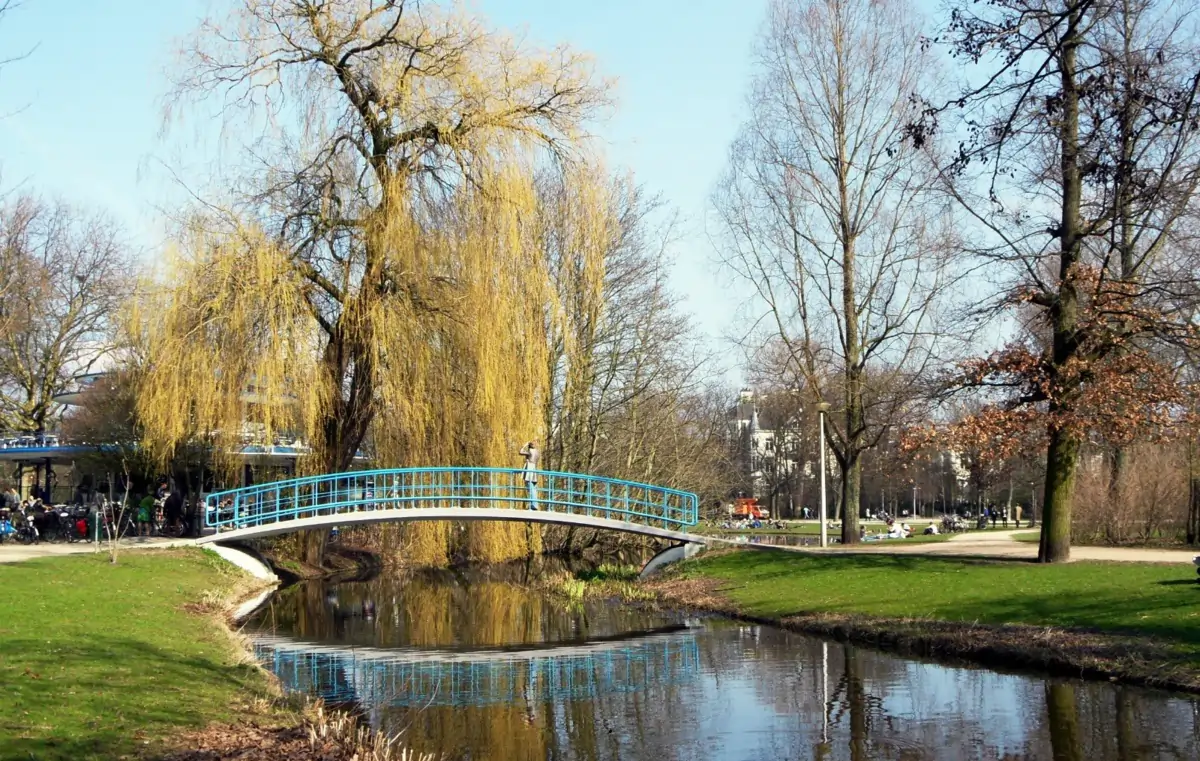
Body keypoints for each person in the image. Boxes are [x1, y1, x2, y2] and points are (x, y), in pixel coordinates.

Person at [519, 441, 540, 510]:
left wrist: (524, 445)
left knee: (530, 486)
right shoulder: (537, 452)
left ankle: (534, 505)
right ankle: (535, 504)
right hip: (534, 469)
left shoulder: (530, 451)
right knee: (533, 487)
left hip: (529, 468)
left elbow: (520, 452)